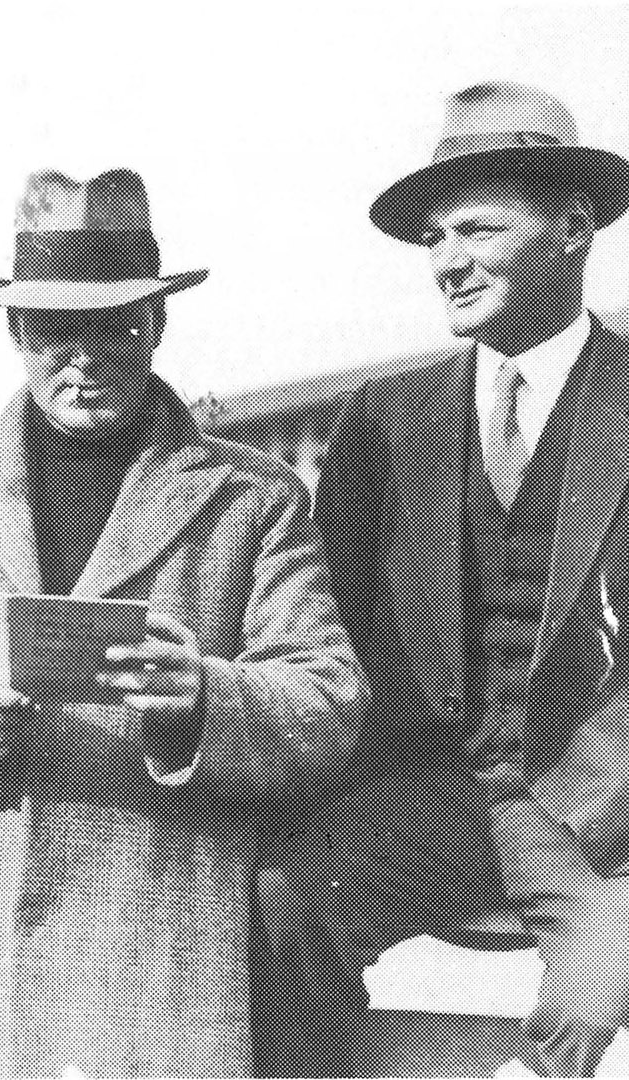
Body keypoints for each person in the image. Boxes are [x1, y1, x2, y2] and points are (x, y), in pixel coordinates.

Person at [0, 167, 365, 1078]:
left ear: (157, 326)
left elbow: (326, 699)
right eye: (54, 328)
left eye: (114, 325)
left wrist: (201, 696)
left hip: (136, 958)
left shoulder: (253, 500)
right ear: (14, 331)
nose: (82, 355)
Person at [255, 81, 629, 1078]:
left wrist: (575, 825)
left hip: (602, 817)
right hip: (433, 799)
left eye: (476, 228)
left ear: (572, 226)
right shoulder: (381, 419)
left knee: (586, 1009)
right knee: (280, 906)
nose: (447, 260)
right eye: (432, 239)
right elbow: (321, 633)